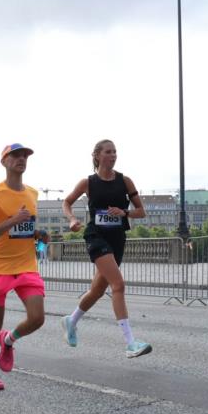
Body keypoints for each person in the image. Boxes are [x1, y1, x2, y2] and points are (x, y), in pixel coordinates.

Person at [61, 139, 152, 358]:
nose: (113, 155)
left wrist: (125, 213)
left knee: (97, 290)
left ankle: (71, 321)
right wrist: (72, 219)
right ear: (97, 155)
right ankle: (130, 343)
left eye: (115, 152)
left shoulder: (125, 181)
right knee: (118, 284)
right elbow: (67, 202)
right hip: (96, 236)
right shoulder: (88, 183)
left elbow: (141, 211)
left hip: (117, 238)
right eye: (108, 152)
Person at [0, 144, 47, 390]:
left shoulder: (33, 193)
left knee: (37, 318)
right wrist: (12, 221)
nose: (22, 159)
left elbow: (24, 229)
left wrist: (38, 233)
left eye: (25, 155)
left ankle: (9, 339)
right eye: (16, 155)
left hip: (27, 266)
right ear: (4, 161)